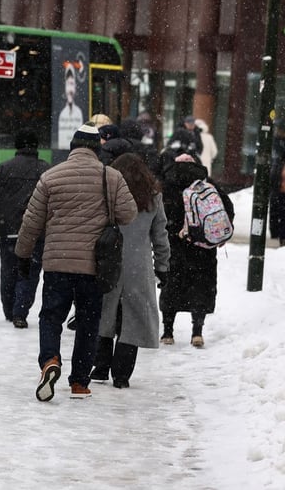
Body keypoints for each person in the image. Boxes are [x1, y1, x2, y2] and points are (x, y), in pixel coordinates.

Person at [16, 124, 137, 401]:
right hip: (94, 266)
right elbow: (128, 214)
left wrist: (23, 254)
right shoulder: (112, 177)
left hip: (57, 262)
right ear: (98, 149)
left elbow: (31, 222)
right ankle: (80, 383)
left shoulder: (51, 177)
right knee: (88, 322)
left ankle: (50, 360)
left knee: (51, 316)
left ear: (73, 148)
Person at [90, 153, 171, 389]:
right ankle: (122, 374)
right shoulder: (153, 198)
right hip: (139, 265)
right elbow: (160, 235)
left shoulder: (108, 194)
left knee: (106, 314)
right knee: (133, 319)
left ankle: (101, 366)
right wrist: (162, 266)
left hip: (109, 260)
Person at [159, 153, 234, 348]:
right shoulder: (207, 185)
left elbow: (159, 215)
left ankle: (168, 332)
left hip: (174, 245)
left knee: (171, 286)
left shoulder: (167, 184)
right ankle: (197, 333)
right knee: (201, 286)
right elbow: (227, 209)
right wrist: (220, 234)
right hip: (203, 247)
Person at [0, 129, 50, 329]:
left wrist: (3, 217)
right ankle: (20, 311)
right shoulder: (46, 171)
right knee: (29, 273)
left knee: (8, 270)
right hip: (35, 233)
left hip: (7, 231)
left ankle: (9, 308)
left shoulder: (2, 170)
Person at [56, 67, 84, 150]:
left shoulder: (79, 113)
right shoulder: (62, 114)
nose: (70, 90)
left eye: (72, 84)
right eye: (68, 84)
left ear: (75, 87)